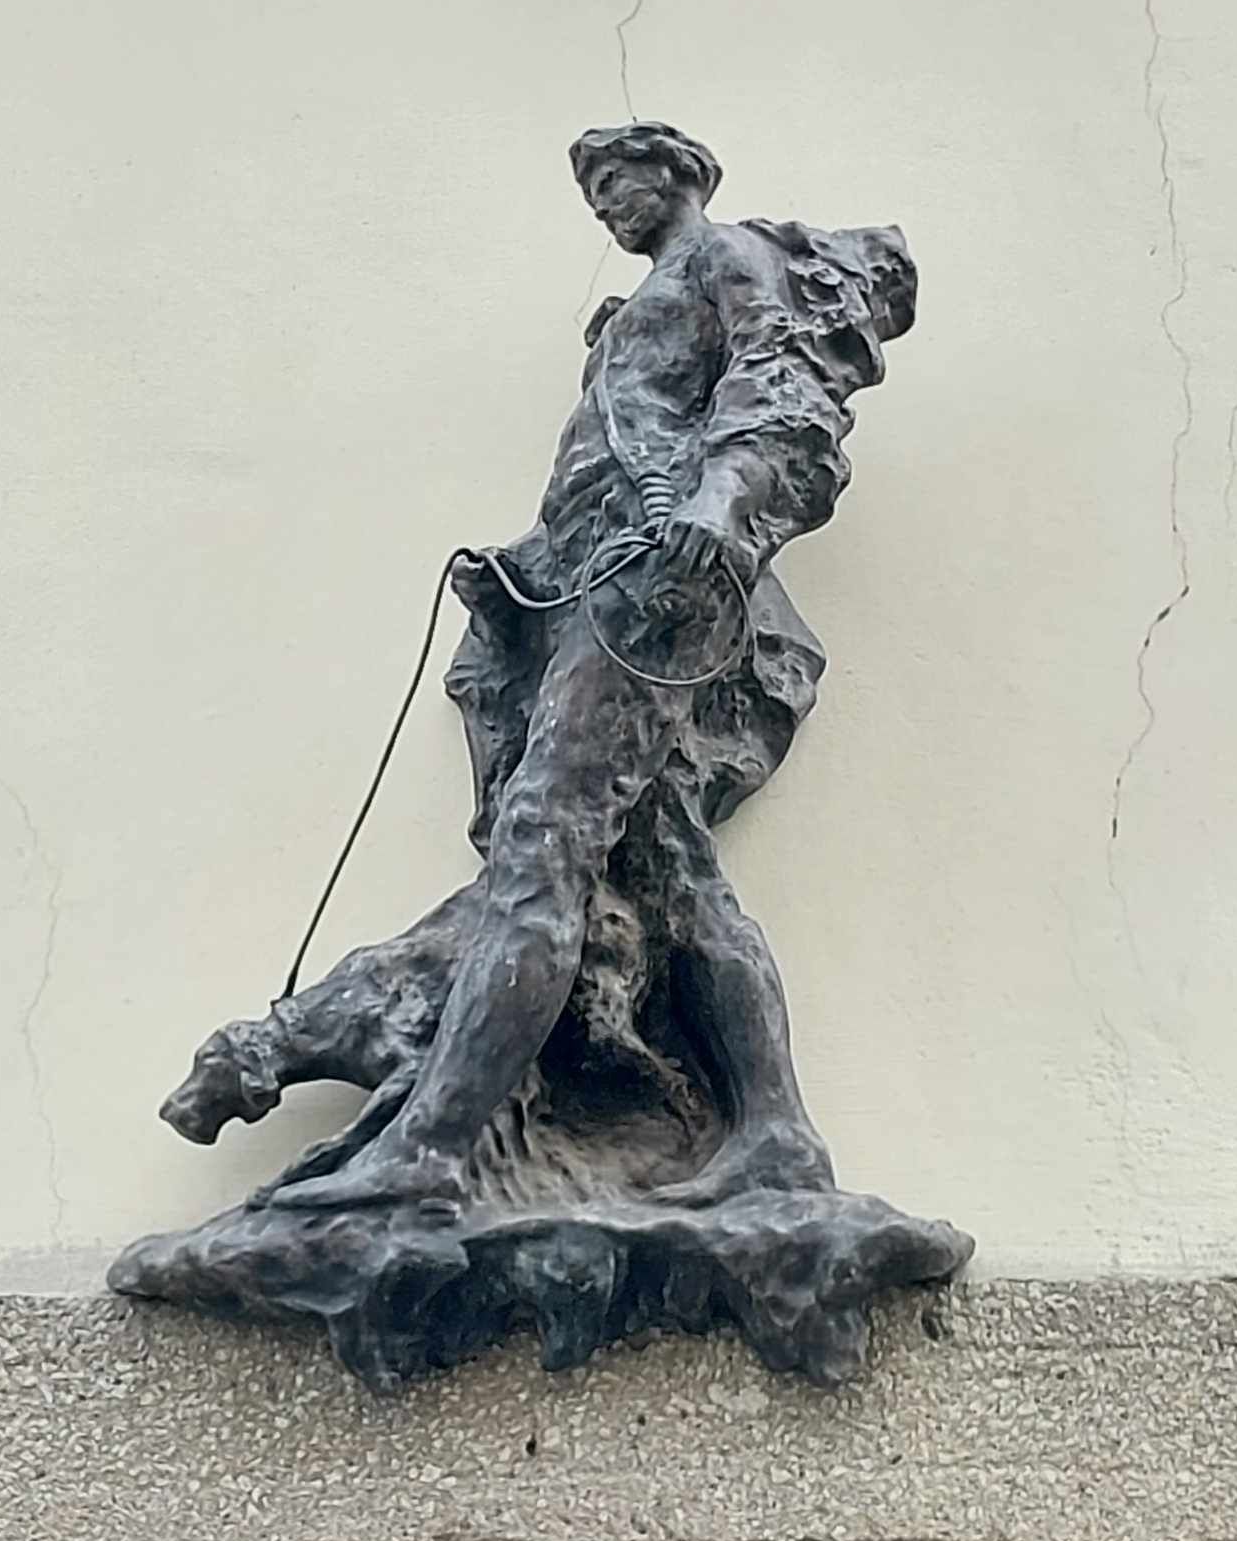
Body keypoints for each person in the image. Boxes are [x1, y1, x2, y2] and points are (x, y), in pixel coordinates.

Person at [267, 120, 916, 1216]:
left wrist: (719, 503)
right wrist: (524, 570)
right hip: (596, 572)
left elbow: (780, 387)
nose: (609, 205)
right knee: (672, 873)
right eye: (596, 193)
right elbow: (612, 446)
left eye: (621, 181)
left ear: (680, 176)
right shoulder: (632, 310)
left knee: (543, 845)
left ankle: (430, 1151)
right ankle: (777, 1140)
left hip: (655, 580)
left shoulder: (725, 257)